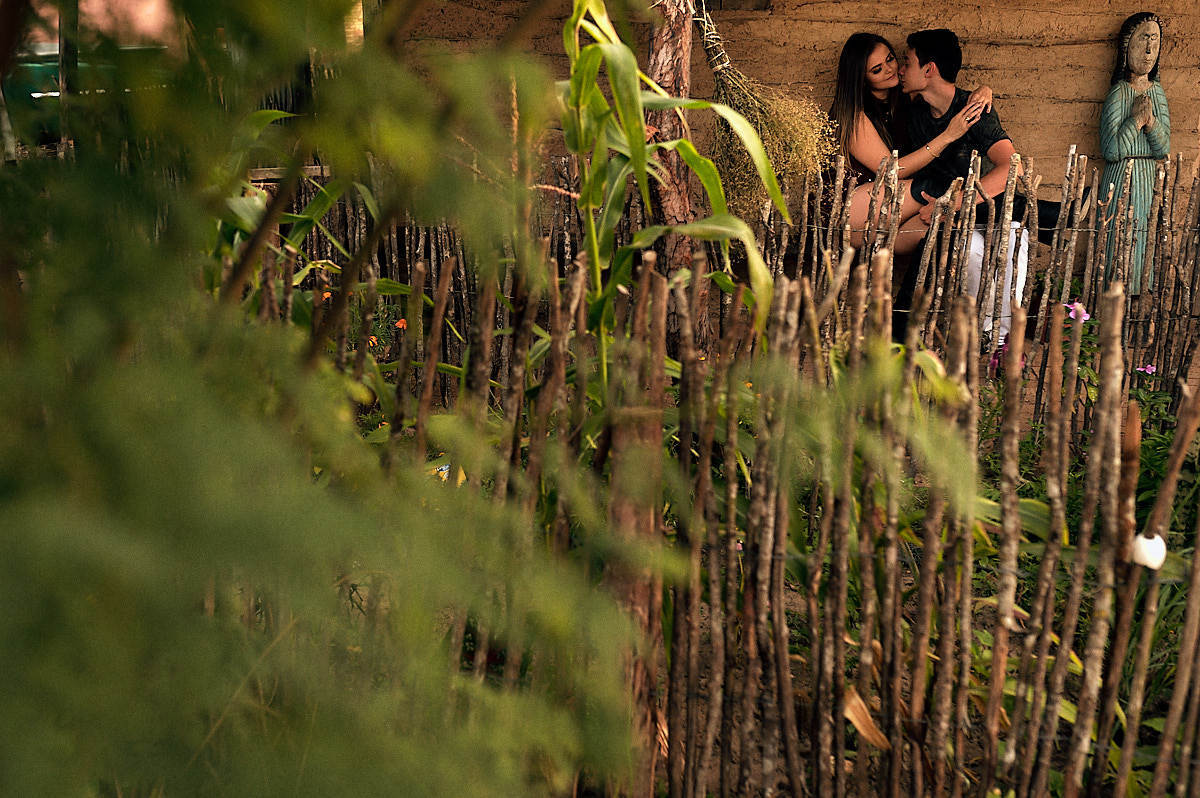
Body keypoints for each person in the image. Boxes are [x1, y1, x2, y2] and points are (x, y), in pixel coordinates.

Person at [899, 28, 1026, 338]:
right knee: (969, 252)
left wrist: (952, 205)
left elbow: (1013, 166)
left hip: (989, 207)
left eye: (907, 62)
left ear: (928, 70)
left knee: (1010, 247)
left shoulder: (972, 109)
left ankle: (1002, 343)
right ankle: (978, 336)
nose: (901, 70)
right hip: (951, 218)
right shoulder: (914, 112)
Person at [828, 32, 989, 252]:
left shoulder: (905, 99)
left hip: (896, 212)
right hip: (858, 212)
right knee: (936, 187)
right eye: (877, 70)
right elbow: (891, 171)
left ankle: (903, 279)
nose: (890, 69)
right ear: (861, 78)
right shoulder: (853, 115)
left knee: (934, 221)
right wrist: (948, 136)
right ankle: (1043, 212)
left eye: (890, 59)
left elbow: (943, 91)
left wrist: (984, 91)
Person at [1100, 12, 1169, 294]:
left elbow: (1164, 148)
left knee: (1142, 249)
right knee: (1119, 245)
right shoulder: (1118, 93)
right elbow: (1111, 149)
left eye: (1155, 41)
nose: (1149, 50)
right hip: (1121, 180)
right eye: (1143, 40)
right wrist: (1136, 121)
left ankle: (1134, 318)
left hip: (1147, 179)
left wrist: (1151, 122)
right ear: (1126, 48)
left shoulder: (1158, 93)